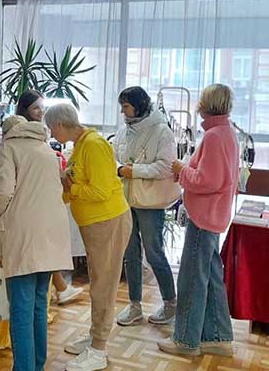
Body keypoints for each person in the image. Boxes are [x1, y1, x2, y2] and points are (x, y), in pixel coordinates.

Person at [44, 103, 132, 371]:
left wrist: (73, 188)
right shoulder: (80, 145)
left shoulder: (93, 145)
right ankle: (95, 337)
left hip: (108, 222)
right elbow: (74, 185)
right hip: (95, 226)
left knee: (103, 286)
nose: (51, 134)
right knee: (97, 282)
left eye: (51, 128)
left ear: (60, 125)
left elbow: (101, 191)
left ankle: (99, 348)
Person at [158, 84, 238, 357]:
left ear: (205, 104)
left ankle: (186, 340)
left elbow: (208, 180)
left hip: (204, 217)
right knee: (211, 277)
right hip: (213, 216)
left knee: (192, 278)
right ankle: (218, 337)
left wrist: (182, 170)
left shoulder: (215, 136)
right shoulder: (225, 133)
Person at [0, 115, 73, 371]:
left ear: (5, 134)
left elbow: (3, 192)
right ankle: (36, 364)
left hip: (24, 235)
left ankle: (23, 367)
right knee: (38, 304)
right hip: (50, 233)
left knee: (21, 310)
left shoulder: (8, 148)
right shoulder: (44, 147)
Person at [112, 86, 177, 326]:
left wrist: (133, 171)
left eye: (126, 106)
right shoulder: (124, 130)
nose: (122, 111)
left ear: (139, 105)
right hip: (126, 200)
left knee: (154, 252)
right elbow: (114, 157)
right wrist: (120, 169)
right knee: (130, 254)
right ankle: (134, 305)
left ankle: (171, 303)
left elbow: (165, 167)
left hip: (150, 203)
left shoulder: (161, 131)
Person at [17, 89, 84, 305]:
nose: (40, 112)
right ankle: (59, 288)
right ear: (25, 110)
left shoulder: (40, 133)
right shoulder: (20, 134)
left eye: (42, 108)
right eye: (35, 108)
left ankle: (59, 288)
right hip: (30, 200)